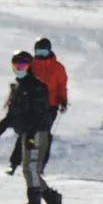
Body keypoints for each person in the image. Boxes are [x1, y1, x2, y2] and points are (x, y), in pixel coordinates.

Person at [0, 51, 63, 204]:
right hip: (27, 134)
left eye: (22, 65)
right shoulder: (19, 88)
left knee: (30, 168)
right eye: (16, 65)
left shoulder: (36, 86)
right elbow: (12, 114)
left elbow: (41, 113)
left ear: (29, 66)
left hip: (36, 133)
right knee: (28, 169)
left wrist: (31, 132)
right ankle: (52, 200)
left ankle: (36, 203)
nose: (19, 68)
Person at [31, 37, 68, 170]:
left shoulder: (58, 68)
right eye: (38, 52)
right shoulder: (31, 66)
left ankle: (41, 163)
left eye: (43, 52)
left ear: (49, 51)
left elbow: (62, 86)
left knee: (44, 133)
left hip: (50, 106)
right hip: (33, 105)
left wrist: (63, 100)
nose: (41, 55)